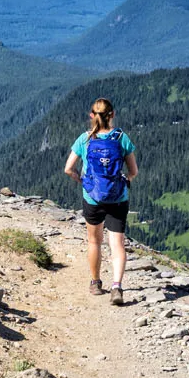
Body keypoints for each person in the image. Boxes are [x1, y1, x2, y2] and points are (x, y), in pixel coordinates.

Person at [63, 97, 137, 305]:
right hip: (118, 198)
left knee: (94, 241)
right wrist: (125, 180)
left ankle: (95, 283)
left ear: (91, 116)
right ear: (112, 115)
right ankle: (116, 287)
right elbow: (134, 171)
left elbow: (68, 169)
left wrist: (82, 181)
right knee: (117, 244)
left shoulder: (84, 139)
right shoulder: (122, 138)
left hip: (92, 198)